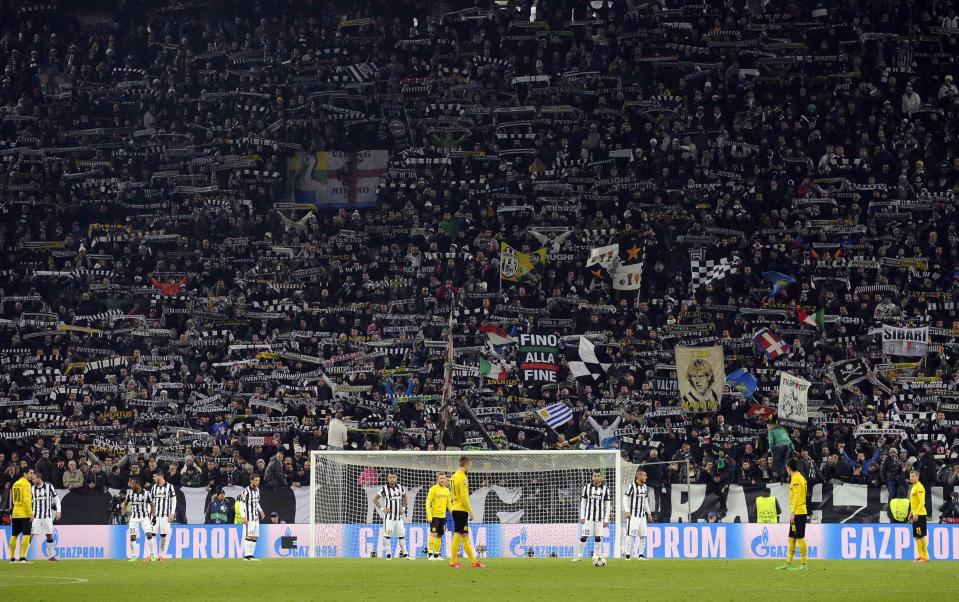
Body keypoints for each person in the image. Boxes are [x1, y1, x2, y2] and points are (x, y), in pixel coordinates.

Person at [449, 456, 483, 568]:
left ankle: (474, 561)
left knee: (464, 535)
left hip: (455, 507)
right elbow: (464, 497)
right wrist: (470, 512)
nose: (470, 468)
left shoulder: (453, 476)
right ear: (466, 465)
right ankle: (453, 561)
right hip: (461, 509)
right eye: (470, 466)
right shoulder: (463, 478)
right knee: (458, 534)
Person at [776, 459, 808, 571]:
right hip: (797, 512)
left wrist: (793, 513)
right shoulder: (799, 478)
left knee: (799, 538)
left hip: (798, 513)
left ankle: (804, 564)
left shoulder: (796, 479)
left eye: (786, 467)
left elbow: (797, 497)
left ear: (788, 467)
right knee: (792, 538)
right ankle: (788, 563)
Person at [574, 470, 611, 563]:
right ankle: (579, 556)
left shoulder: (605, 489)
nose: (596, 477)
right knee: (584, 536)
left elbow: (608, 505)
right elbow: (583, 502)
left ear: (601, 477)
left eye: (598, 476)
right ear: (592, 477)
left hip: (600, 518)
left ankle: (596, 555)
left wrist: (606, 519)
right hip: (588, 517)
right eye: (594, 476)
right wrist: (582, 516)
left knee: (598, 537)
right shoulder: (587, 487)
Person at [373, 473, 410, 559]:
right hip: (389, 518)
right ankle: (388, 555)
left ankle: (405, 555)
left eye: (393, 477)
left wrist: (404, 508)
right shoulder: (384, 489)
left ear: (396, 478)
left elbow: (405, 498)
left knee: (402, 536)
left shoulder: (400, 487)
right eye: (390, 477)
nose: (392, 479)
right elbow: (375, 499)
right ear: (387, 479)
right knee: (387, 536)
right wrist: (382, 509)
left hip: (399, 518)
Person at [29, 471, 60, 561]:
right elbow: (30, 502)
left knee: (49, 535)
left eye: (34, 478)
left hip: (47, 516)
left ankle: (51, 556)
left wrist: (58, 511)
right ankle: (23, 556)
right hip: (36, 516)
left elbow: (57, 500)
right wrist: (31, 514)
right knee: (31, 534)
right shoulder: (32, 489)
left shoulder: (49, 487)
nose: (32, 480)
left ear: (39, 478)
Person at [623, 468, 652, 560]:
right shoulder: (632, 486)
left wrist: (649, 513)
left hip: (642, 516)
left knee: (643, 535)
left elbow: (645, 501)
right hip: (633, 516)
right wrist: (627, 511)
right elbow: (625, 499)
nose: (646, 477)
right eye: (644, 475)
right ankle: (627, 555)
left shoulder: (644, 487)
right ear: (638, 476)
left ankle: (641, 555)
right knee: (630, 535)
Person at [123, 478, 155, 562]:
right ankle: (134, 556)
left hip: (144, 518)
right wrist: (124, 512)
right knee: (132, 536)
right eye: (131, 484)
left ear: (138, 484)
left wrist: (153, 515)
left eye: (133, 484)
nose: (131, 486)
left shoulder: (147, 493)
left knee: (149, 534)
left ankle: (152, 554)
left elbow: (152, 504)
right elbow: (125, 503)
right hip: (134, 518)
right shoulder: (130, 494)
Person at [149, 472, 177, 561]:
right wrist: (150, 513)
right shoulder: (154, 487)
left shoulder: (169, 487)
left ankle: (161, 555)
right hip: (155, 516)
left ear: (160, 476)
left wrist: (172, 513)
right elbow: (151, 501)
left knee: (163, 536)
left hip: (165, 516)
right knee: (152, 534)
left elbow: (174, 500)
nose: (153, 478)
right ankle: (152, 555)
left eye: (155, 476)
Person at [238, 474, 266, 561]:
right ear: (251, 480)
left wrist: (261, 511)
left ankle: (251, 555)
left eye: (258, 480)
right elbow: (241, 504)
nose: (257, 482)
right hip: (248, 517)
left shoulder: (257, 490)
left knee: (255, 536)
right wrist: (243, 517)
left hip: (256, 517)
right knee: (248, 535)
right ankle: (246, 556)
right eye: (256, 480)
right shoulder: (246, 491)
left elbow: (256, 502)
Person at [425, 472, 452, 561]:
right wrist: (429, 515)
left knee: (440, 535)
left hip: (443, 516)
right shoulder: (433, 489)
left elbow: (449, 504)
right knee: (433, 534)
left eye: (444, 478)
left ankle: (436, 555)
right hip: (434, 516)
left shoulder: (447, 490)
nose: (442, 480)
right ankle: (429, 554)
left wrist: (453, 513)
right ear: (437, 479)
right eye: (440, 478)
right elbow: (428, 502)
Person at [8, 468, 33, 563]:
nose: (31, 475)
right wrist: (30, 513)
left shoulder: (15, 484)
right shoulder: (26, 484)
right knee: (26, 534)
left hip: (15, 513)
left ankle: (12, 558)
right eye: (30, 473)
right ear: (24, 474)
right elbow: (27, 500)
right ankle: (22, 557)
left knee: (14, 535)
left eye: (32, 473)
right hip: (24, 513)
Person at [908, 470, 929, 563]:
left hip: (920, 515)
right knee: (916, 536)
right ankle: (920, 556)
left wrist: (916, 513)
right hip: (915, 513)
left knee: (920, 535)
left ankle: (925, 557)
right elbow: (914, 502)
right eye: (910, 476)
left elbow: (922, 502)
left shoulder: (919, 487)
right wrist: (911, 513)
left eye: (913, 476)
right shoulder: (914, 487)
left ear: (917, 477)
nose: (911, 478)